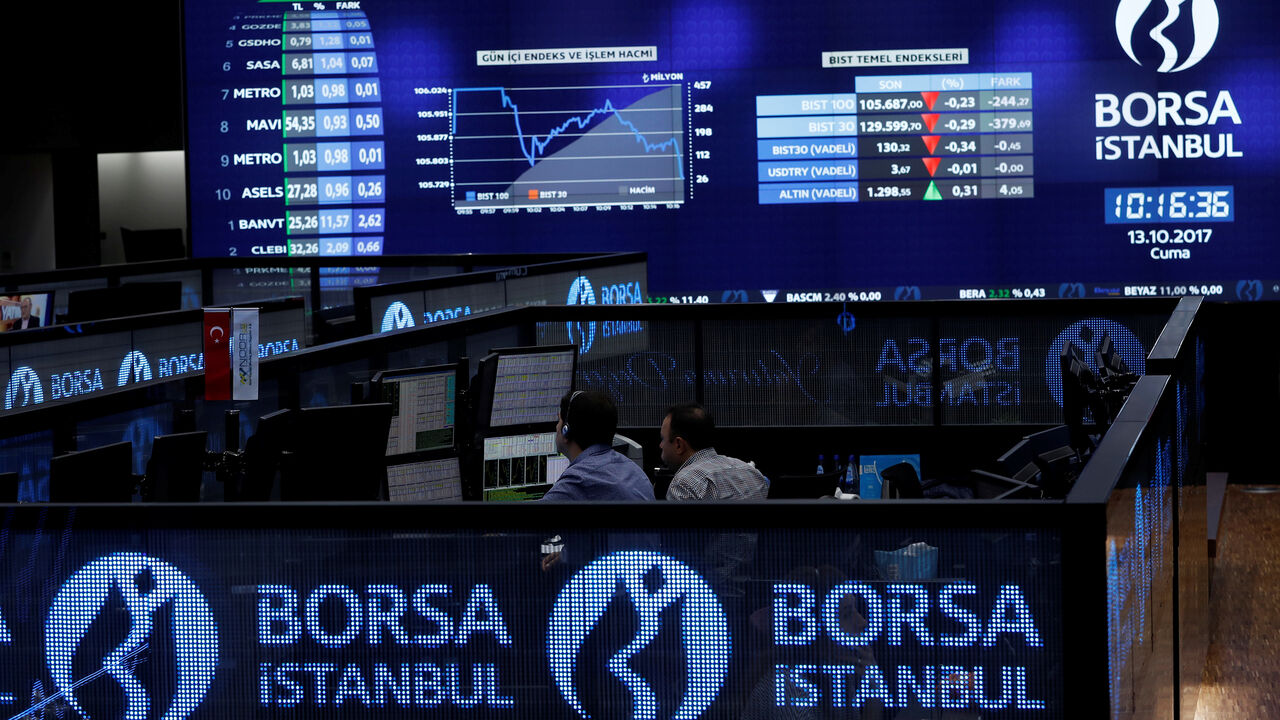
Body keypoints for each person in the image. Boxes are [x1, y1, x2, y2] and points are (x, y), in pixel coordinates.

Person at [540, 390, 654, 502]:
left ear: (566, 431)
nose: (556, 427)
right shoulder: (635, 472)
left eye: (559, 421)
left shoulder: (578, 479)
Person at [660, 402, 768, 500]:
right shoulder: (751, 472)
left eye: (663, 439)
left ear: (679, 444)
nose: (661, 446)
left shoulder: (682, 485)